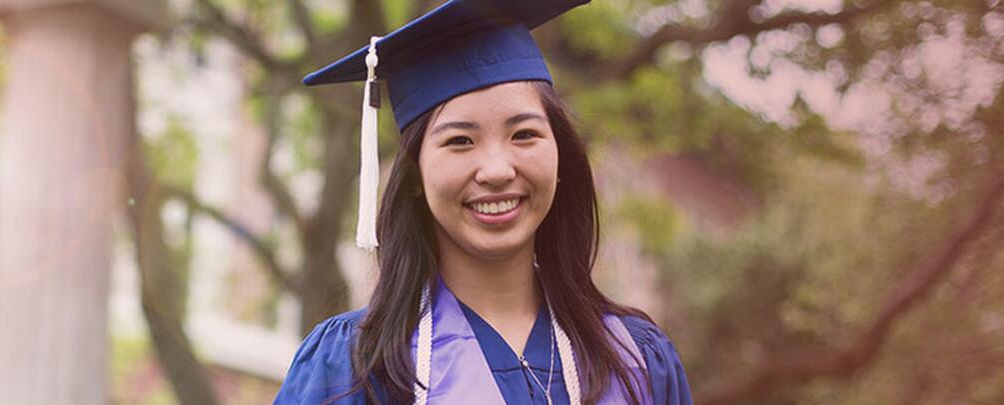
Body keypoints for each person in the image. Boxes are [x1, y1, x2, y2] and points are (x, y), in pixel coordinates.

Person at [272, 0, 693, 404]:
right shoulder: (354, 369)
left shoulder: (636, 362)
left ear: (560, 153)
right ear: (415, 174)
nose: (496, 170)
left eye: (523, 134)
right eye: (460, 141)